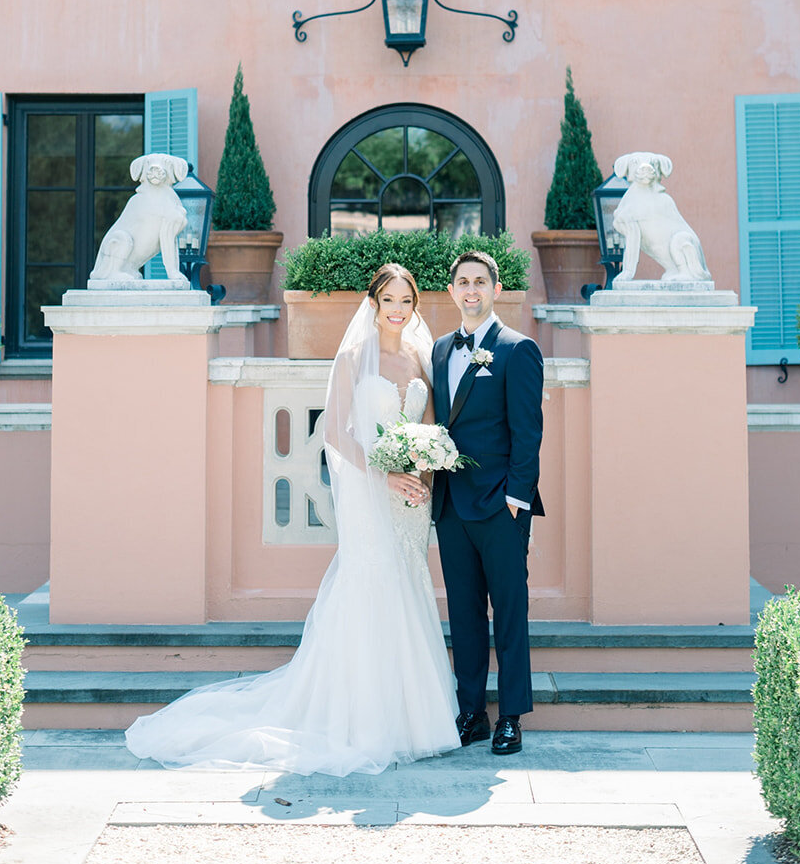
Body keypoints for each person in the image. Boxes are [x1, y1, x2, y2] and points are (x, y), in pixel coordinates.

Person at [124, 263, 459, 775]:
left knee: (409, 586)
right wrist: (385, 475)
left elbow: (429, 423)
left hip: (411, 498)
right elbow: (337, 433)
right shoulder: (352, 358)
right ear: (373, 304)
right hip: (371, 494)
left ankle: (414, 718)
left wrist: (423, 474)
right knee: (371, 584)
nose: (397, 310)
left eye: (406, 301)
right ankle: (363, 719)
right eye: (388, 300)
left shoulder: (418, 357)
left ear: (414, 307)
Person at [432, 249, 545, 757]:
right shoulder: (439, 351)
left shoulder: (518, 350)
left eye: (480, 281)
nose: (471, 290)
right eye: (463, 282)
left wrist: (516, 499)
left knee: (510, 611)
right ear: (452, 290)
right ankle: (472, 712)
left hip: (502, 505)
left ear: (495, 290)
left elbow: (528, 433)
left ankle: (511, 716)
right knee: (464, 614)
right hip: (452, 506)